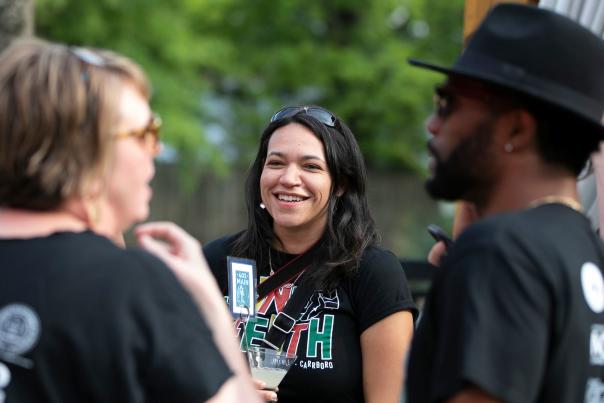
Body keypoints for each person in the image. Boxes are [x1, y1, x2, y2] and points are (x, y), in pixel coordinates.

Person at [0, 38, 261, 403]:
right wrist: (209, 301)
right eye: (145, 133)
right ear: (85, 147)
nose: (156, 149)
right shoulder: (128, 285)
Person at [405, 4, 604, 403]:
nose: (433, 124)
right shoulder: (585, 248)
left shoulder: (501, 251)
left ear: (516, 127)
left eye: (448, 103)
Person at [203, 105, 418, 403]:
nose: (289, 179)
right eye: (276, 163)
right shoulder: (218, 260)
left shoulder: (373, 273)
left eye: (311, 167)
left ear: (340, 184)